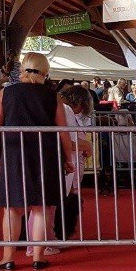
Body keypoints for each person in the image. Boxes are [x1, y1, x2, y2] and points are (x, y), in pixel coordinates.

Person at [0, 53, 74, 271]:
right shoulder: (53, 96)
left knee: (12, 209)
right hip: (46, 155)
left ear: (21, 70)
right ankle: (38, 257)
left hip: (14, 154)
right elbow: (63, 132)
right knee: (41, 208)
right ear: (46, 73)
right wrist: (68, 158)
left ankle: (8, 258)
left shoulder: (5, 93)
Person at [54, 85, 95, 242]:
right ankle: (60, 233)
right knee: (65, 198)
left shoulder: (64, 110)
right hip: (67, 162)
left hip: (70, 161)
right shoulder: (66, 111)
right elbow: (67, 141)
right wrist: (87, 146)